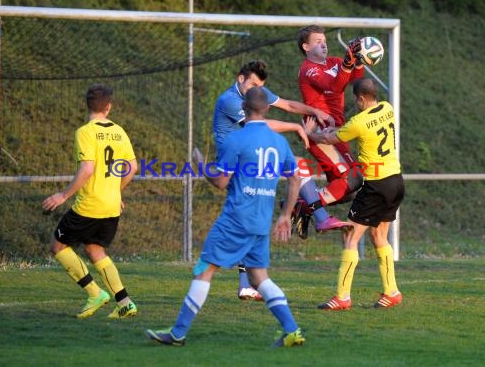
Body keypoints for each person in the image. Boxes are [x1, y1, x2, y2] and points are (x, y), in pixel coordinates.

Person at [145, 86, 305, 347]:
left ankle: (178, 333)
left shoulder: (236, 139)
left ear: (243, 110)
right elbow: (296, 178)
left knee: (204, 270)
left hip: (236, 218)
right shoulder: (279, 142)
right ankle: (292, 329)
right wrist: (285, 215)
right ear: (266, 109)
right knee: (258, 277)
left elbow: (221, 181)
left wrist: (200, 166)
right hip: (262, 221)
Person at [213, 60, 349, 301]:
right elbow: (260, 124)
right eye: (253, 83)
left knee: (297, 169)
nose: (257, 88)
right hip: (233, 160)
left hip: (251, 153)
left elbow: (287, 104)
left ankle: (319, 217)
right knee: (249, 221)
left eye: (261, 85)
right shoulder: (229, 100)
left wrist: (314, 111)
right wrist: (296, 127)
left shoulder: (255, 94)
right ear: (240, 78)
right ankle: (318, 217)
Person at [303, 78, 404, 310]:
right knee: (379, 237)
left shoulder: (358, 122)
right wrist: (335, 130)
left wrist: (311, 133)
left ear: (360, 98)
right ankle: (392, 291)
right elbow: (345, 131)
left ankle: (342, 297)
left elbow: (329, 139)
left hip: (376, 186)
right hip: (396, 181)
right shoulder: (387, 108)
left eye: (355, 99)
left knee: (350, 237)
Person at [42, 84, 139, 319]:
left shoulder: (85, 132)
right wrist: (116, 192)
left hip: (89, 204)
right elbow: (133, 167)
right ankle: (125, 303)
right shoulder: (119, 131)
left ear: (88, 105)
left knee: (58, 245)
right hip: (111, 205)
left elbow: (87, 168)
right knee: (96, 250)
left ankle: (95, 293)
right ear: (108, 107)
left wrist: (63, 195)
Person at [295, 25, 366, 233]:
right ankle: (305, 206)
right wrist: (347, 63)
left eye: (324, 40)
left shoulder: (334, 62)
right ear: (306, 47)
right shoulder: (309, 68)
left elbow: (357, 81)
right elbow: (333, 86)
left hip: (335, 132)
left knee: (351, 191)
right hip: (320, 133)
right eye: (317, 41)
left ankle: (304, 203)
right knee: (354, 179)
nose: (323, 43)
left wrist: (358, 61)